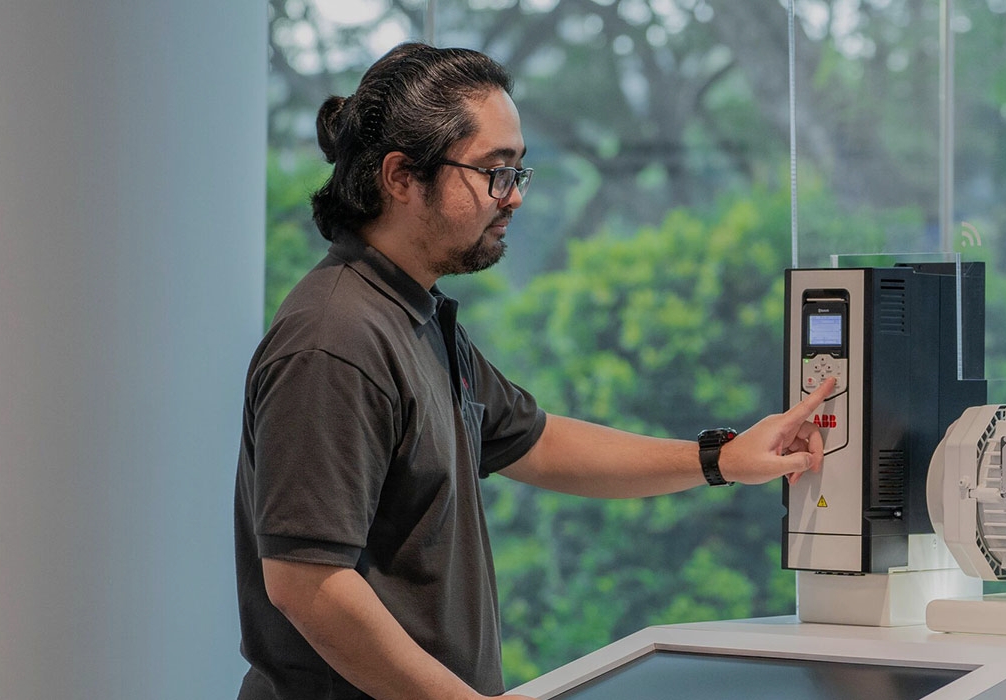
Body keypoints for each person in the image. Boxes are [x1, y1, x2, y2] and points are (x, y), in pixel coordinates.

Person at [233, 43, 838, 700]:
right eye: (495, 172)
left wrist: (720, 458)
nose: (513, 198)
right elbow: (304, 584)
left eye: (520, 173)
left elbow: (539, 442)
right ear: (401, 177)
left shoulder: (412, 315)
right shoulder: (336, 340)